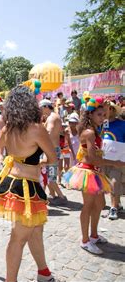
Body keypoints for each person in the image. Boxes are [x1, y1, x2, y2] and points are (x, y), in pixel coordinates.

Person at [0, 86, 58, 282]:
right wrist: (40, 162)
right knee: (18, 237)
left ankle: (44, 272)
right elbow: (52, 158)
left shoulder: (8, 128)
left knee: (36, 230)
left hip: (11, 184)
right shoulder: (36, 129)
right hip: (26, 188)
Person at [63, 99, 125, 254]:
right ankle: (85, 240)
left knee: (99, 204)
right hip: (88, 172)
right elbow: (92, 158)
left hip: (95, 172)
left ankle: (94, 235)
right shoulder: (90, 132)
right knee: (88, 206)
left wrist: (104, 105)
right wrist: (115, 163)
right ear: (90, 114)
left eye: (104, 114)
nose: (102, 117)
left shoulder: (95, 129)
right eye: (99, 114)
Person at [39, 99, 67, 205]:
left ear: (46, 107)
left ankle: (61, 196)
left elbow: (49, 131)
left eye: (41, 108)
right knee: (50, 176)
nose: (40, 110)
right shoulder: (52, 116)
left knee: (51, 177)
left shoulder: (52, 117)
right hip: (51, 150)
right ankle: (53, 195)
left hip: (51, 151)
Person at [102, 102, 125, 220]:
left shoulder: (122, 124)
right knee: (108, 183)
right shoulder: (101, 124)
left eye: (107, 108)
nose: (105, 110)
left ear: (112, 109)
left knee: (114, 182)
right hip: (104, 159)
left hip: (118, 159)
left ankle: (113, 208)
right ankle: (118, 204)